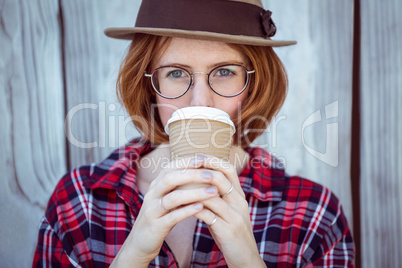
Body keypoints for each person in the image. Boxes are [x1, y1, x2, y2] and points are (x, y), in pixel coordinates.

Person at [33, 0, 355, 267]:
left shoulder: (316, 219)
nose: (200, 101)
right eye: (175, 73)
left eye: (225, 72)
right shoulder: (77, 205)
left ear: (254, 84)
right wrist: (132, 257)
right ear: (149, 84)